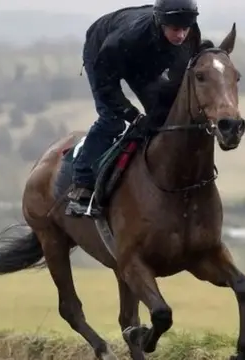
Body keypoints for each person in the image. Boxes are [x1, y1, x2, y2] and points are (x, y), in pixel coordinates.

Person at [66, 0, 201, 216]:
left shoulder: (190, 33)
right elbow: (105, 86)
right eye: (176, 29)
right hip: (102, 48)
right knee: (112, 120)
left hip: (143, 56)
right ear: (161, 23)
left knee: (162, 116)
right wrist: (133, 115)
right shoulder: (124, 40)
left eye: (185, 29)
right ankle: (81, 185)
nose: (181, 36)